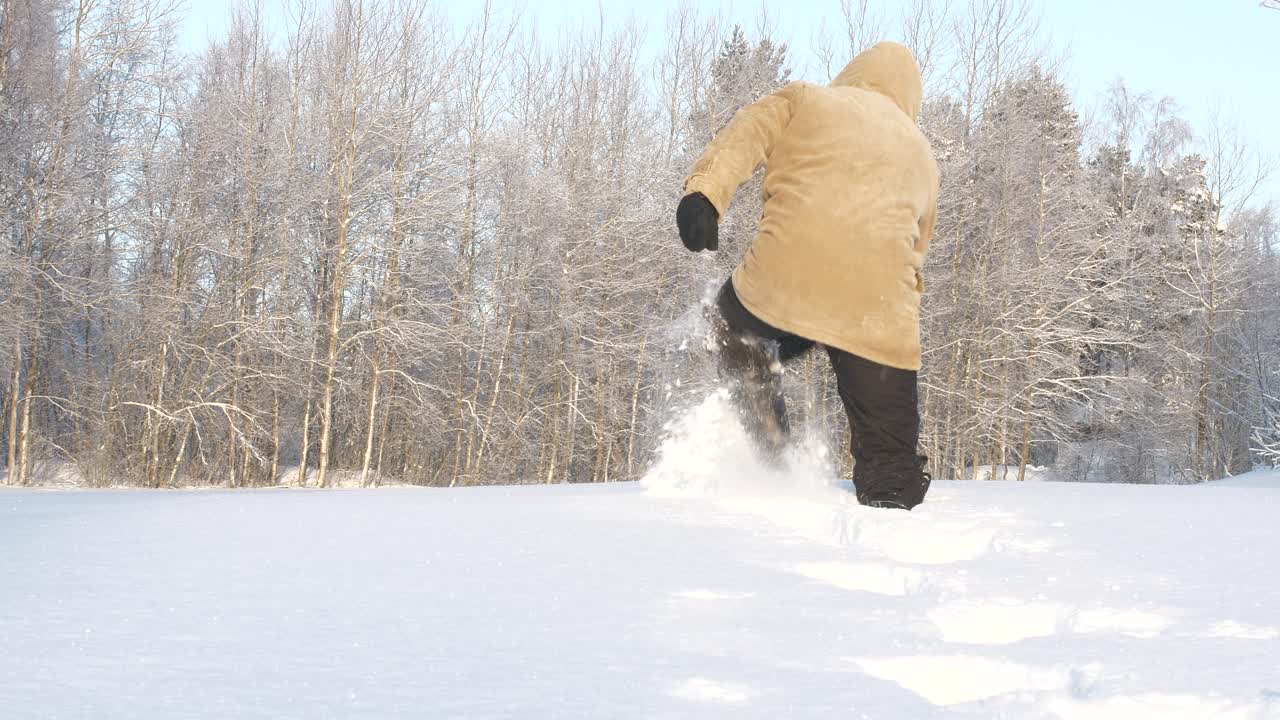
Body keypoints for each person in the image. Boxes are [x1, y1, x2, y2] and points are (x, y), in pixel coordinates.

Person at [676, 41, 940, 510]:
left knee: (734, 334)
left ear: (853, 71)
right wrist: (893, 334)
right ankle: (894, 512)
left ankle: (771, 457)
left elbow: (746, 134)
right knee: (891, 467)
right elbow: (917, 251)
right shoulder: (922, 154)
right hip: (878, 311)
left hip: (786, 280)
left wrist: (704, 195)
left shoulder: (809, 99)